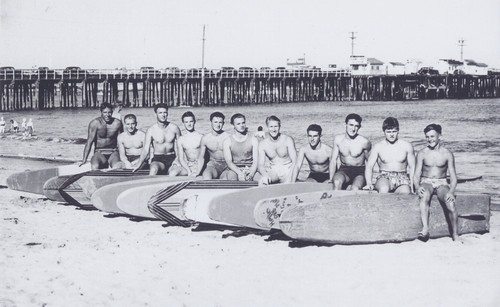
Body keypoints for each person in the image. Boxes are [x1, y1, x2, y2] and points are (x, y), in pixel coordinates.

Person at [414, 124, 458, 241]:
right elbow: (416, 174)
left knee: (451, 204)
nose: (430, 139)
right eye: (427, 137)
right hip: (426, 180)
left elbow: (453, 177)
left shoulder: (447, 154)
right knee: (424, 195)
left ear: (440, 136)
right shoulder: (422, 153)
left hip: (442, 182)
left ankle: (455, 234)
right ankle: (425, 229)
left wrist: (452, 191)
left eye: (432, 136)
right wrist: (417, 186)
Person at [364, 117, 415, 194]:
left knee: (406, 193)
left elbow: (412, 167)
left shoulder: (407, 146)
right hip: (384, 176)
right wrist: (369, 183)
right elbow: (369, 166)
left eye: (394, 131)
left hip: (402, 177)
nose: (391, 134)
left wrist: (412, 187)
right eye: (388, 132)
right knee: (384, 189)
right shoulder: (378, 147)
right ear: (384, 132)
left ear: (398, 131)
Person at [133, 103, 181, 175]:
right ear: (156, 114)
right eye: (160, 113)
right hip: (158, 159)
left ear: (167, 114)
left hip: (172, 158)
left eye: (165, 112)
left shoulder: (174, 128)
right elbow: (146, 149)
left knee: (173, 173)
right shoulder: (151, 130)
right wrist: (138, 164)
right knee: (153, 170)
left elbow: (181, 147)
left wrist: (178, 159)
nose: (163, 115)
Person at [330, 114, 372, 190]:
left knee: (355, 188)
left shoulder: (364, 142)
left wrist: (369, 183)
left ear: (359, 127)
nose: (353, 129)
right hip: (344, 170)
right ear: (345, 124)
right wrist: (330, 179)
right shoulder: (338, 140)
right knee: (336, 182)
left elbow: (369, 163)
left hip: (360, 171)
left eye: (356, 126)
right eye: (351, 125)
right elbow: (333, 160)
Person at [80, 103, 123, 169]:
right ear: (101, 112)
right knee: (95, 166)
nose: (107, 115)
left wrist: (124, 158)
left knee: (117, 167)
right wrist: (84, 159)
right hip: (99, 152)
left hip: (113, 152)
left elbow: (121, 142)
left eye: (109, 112)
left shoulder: (117, 123)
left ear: (112, 112)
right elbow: (89, 142)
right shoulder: (95, 123)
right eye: (105, 112)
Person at [258, 115, 297, 185]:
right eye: (271, 126)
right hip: (274, 170)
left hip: (288, 169)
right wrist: (265, 176)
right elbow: (260, 165)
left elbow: (295, 162)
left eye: (276, 126)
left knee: (289, 184)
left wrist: (289, 178)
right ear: (267, 127)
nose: (274, 129)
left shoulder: (287, 140)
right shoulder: (263, 144)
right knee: (262, 181)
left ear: (279, 127)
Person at [221, 113, 261, 181]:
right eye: (238, 124)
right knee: (232, 180)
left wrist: (251, 173)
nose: (241, 126)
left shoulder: (253, 139)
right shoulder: (227, 141)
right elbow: (229, 163)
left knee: (261, 180)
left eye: (243, 123)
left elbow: (256, 161)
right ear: (233, 125)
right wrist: (240, 173)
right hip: (234, 169)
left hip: (250, 168)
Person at [196, 112, 230, 179]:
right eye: (215, 122)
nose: (218, 125)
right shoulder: (205, 138)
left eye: (220, 122)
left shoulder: (228, 137)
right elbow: (201, 158)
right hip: (213, 165)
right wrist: (198, 173)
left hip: (227, 166)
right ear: (211, 122)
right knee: (206, 177)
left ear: (223, 123)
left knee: (225, 179)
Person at [168, 111, 203, 177]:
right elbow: (181, 158)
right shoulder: (181, 139)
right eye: (186, 122)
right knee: (172, 173)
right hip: (187, 165)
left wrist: (197, 171)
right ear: (183, 123)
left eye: (191, 121)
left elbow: (203, 157)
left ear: (194, 122)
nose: (189, 124)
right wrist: (189, 171)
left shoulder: (201, 137)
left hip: (199, 166)